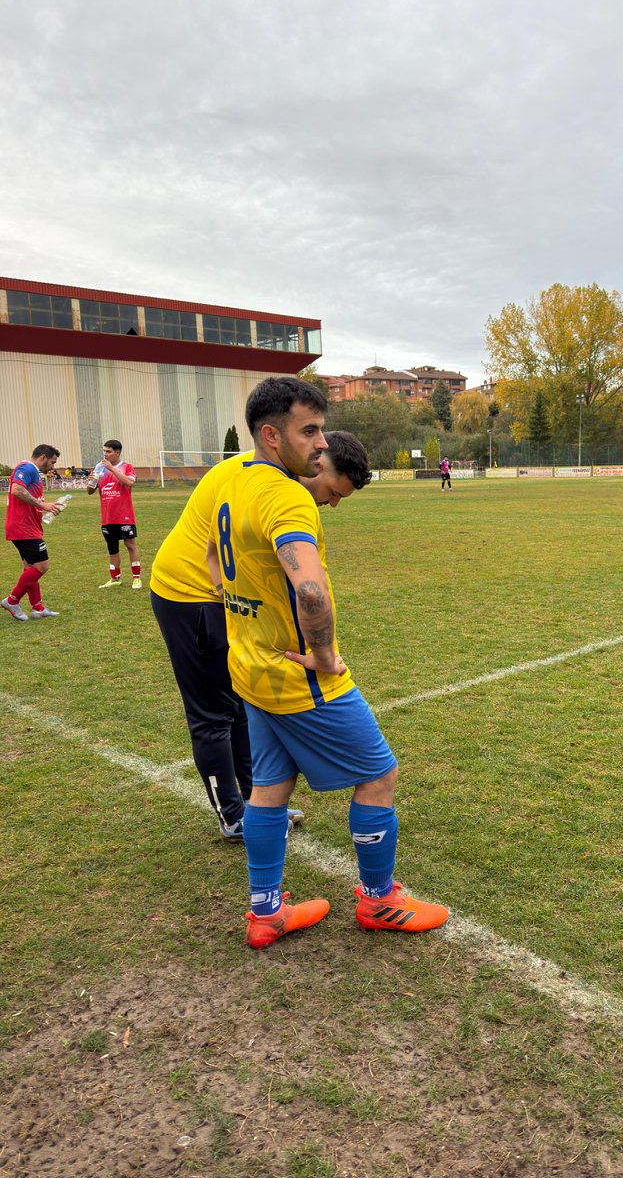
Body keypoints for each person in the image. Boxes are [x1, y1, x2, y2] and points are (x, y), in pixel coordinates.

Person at [207, 376, 448, 948]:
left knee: (269, 789)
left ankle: (266, 912)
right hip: (298, 678)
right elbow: (311, 593)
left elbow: (214, 564)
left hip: (250, 666)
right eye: (308, 431)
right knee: (380, 775)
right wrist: (323, 657)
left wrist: (246, 613)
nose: (321, 443)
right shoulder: (287, 495)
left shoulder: (231, 480)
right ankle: (380, 901)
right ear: (272, 435)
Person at [150, 425, 373, 841]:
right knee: (212, 714)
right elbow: (304, 587)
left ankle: (257, 803)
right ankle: (232, 815)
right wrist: (223, 593)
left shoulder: (267, 474)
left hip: (224, 594)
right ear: (315, 462)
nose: (333, 503)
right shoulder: (262, 481)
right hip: (188, 595)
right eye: (333, 491)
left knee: (240, 701)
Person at [3, 445, 64, 622]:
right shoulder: (27, 467)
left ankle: (37, 607)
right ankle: (12, 600)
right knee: (41, 566)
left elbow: (31, 498)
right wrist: (42, 505)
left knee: (30, 567)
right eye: (52, 462)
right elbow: (17, 490)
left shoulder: (35, 473)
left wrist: (46, 507)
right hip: (23, 527)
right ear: (43, 457)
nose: (52, 467)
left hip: (27, 526)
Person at [88, 439, 142, 590]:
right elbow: (90, 491)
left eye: (108, 451)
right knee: (112, 547)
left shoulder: (126, 467)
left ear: (117, 453)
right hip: (107, 516)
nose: (105, 454)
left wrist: (111, 468)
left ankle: (136, 578)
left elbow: (129, 483)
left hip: (124, 515)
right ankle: (114, 578)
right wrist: (92, 481)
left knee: (130, 544)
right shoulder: (100, 468)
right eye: (104, 451)